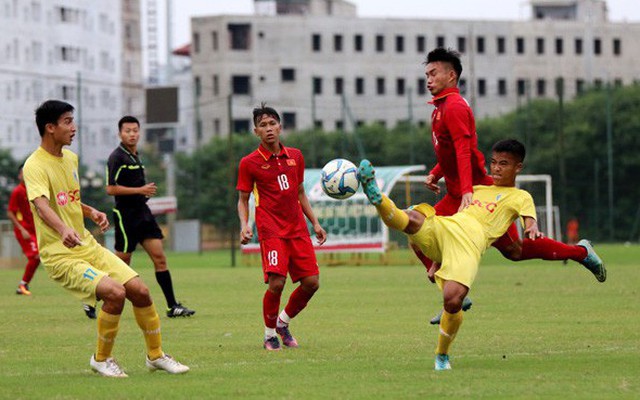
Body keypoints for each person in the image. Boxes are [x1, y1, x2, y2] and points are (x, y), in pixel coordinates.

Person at [357, 139, 606, 370]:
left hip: (469, 245)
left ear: (518, 167)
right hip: (448, 228)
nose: (496, 169)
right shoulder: (474, 188)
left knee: (453, 299)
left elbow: (527, 216)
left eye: (504, 164)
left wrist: (531, 225)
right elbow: (455, 158)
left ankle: (441, 355)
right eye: (494, 163)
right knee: (411, 219)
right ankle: (378, 198)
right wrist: (436, 174)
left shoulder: (519, 196)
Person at [422, 47, 601, 324]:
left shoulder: (455, 106)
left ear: (451, 75)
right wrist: (436, 173)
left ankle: (581, 253)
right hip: (458, 192)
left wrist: (468, 191)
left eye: (433, 73)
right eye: (427, 73)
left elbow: (463, 150)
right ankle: (451, 289)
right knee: (417, 227)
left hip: (474, 193)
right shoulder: (441, 108)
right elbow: (452, 151)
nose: (428, 78)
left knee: (515, 250)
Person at [23, 100, 189, 377]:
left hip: (87, 245)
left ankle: (156, 356)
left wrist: (90, 212)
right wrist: (63, 230)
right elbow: (42, 205)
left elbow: (68, 200)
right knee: (116, 293)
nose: (74, 128)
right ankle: (101, 359)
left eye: (72, 121)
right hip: (60, 254)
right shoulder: (34, 165)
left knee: (141, 291)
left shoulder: (70, 159)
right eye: (67, 122)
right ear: (50, 128)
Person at [237, 104, 327, 351]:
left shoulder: (295, 156)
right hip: (271, 230)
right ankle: (269, 335)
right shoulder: (249, 163)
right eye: (263, 125)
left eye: (272, 124)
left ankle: (283, 323)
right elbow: (243, 199)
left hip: (297, 229)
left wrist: (315, 223)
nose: (269, 129)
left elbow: (300, 193)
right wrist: (245, 225)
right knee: (277, 283)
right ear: (256, 131)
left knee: (312, 283)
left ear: (280, 126)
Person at [106, 116, 195, 318]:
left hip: (143, 214)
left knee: (160, 259)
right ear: (120, 133)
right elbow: (110, 189)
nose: (132, 134)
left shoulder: (136, 156)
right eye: (128, 130)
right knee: (121, 264)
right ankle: (92, 300)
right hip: (126, 216)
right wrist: (140, 189)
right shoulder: (116, 157)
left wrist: (142, 193)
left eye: (135, 130)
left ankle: (173, 306)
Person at [7, 164, 40, 295]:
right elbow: (10, 212)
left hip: (35, 230)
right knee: (35, 256)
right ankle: (22, 285)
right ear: (19, 175)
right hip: (25, 230)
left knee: (38, 257)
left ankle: (23, 285)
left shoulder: (33, 190)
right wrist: (21, 229)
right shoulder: (18, 191)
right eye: (23, 174)